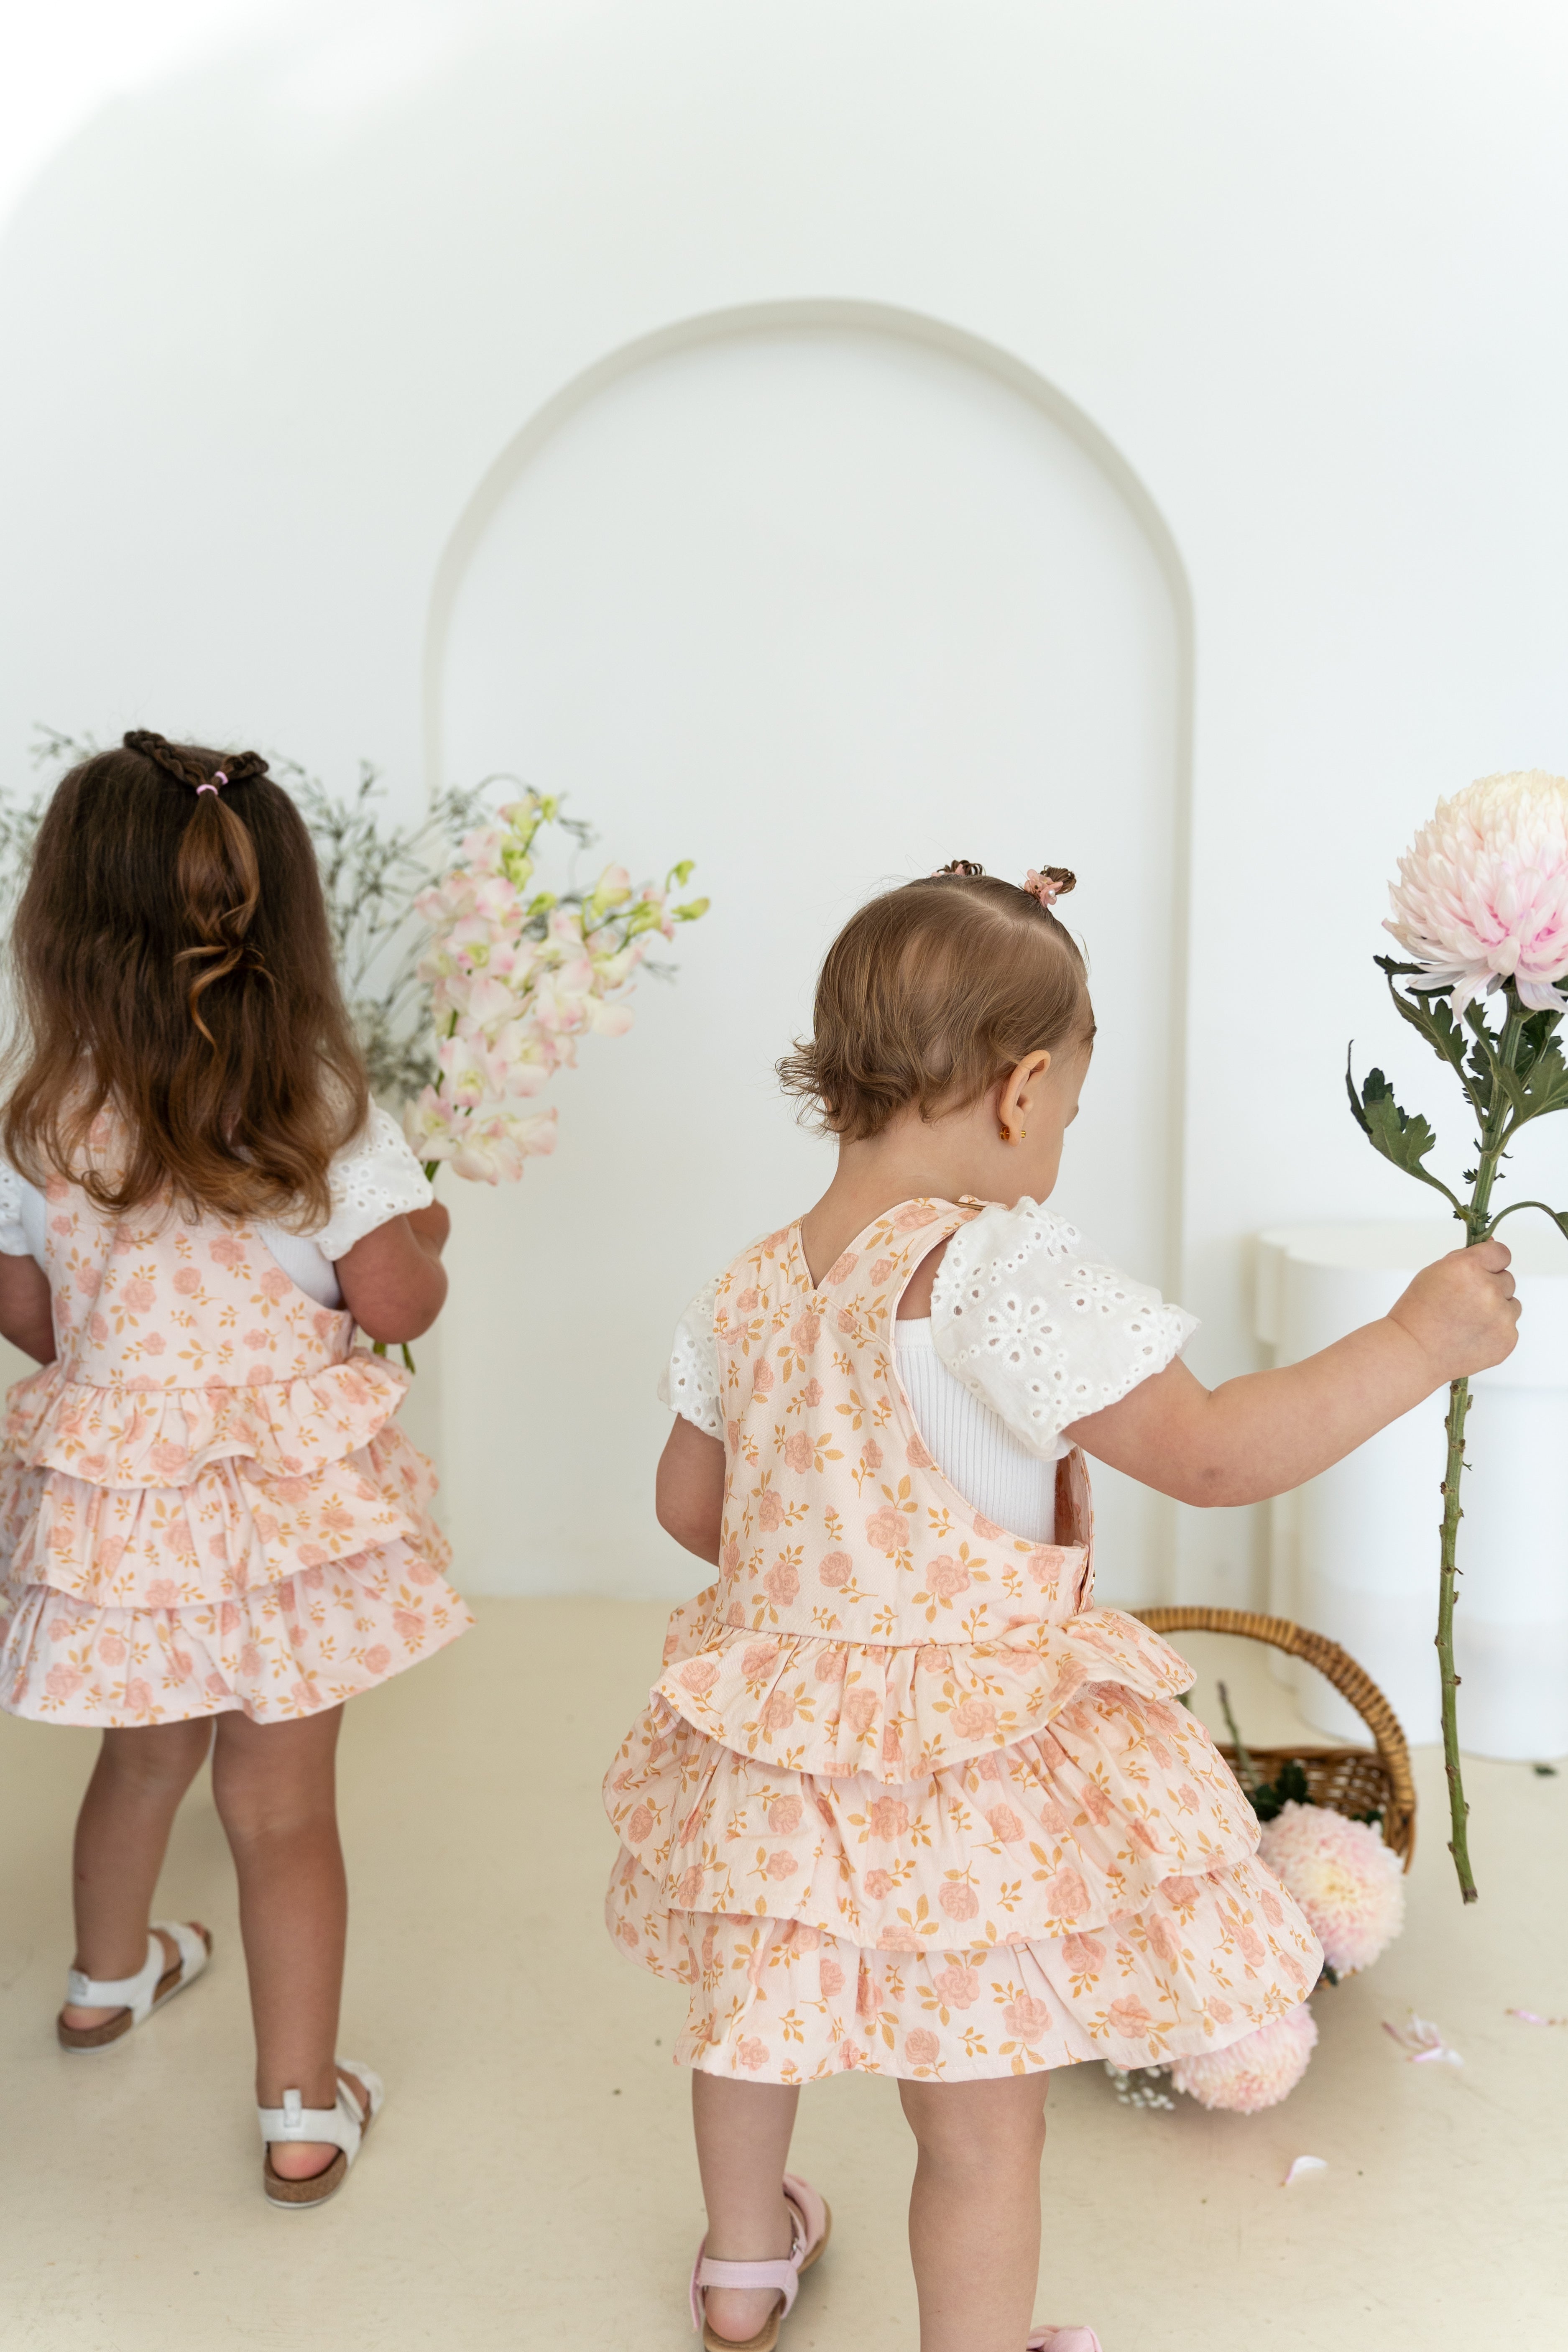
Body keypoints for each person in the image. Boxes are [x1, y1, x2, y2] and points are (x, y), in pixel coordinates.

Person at [603, 861, 1520, 2352]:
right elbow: (1218, 1453)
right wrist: (1419, 1340)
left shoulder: (752, 1282)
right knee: (978, 2122)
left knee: (750, 2008)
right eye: (1072, 1111)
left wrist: (827, 1579)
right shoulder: (995, 1270)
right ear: (1024, 1091)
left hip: (782, 1737)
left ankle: (741, 2259)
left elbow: (691, 1510)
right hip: (963, 1772)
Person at [0, 732, 469, 2208]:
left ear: (66, 926)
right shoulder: (315, 1101)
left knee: (140, 1754)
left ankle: (104, 1976)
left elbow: (34, 1319)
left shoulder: (42, 1110)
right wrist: (427, 1241)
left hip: (127, 1513)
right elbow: (393, 1304)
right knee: (278, 1813)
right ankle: (301, 2109)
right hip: (277, 1517)